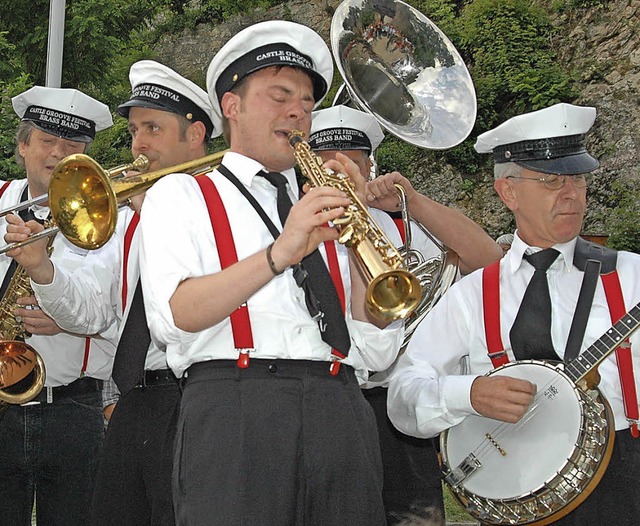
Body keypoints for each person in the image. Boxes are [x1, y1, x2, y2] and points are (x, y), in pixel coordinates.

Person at [138, 21, 404, 526]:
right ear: (231, 106)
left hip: (340, 405)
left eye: (306, 101)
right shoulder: (183, 194)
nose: (298, 111)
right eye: (280, 95)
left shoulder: (326, 200)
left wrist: (359, 244)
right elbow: (176, 316)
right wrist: (280, 253)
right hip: (235, 409)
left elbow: (374, 345)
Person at [387, 102, 640, 526]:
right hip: (513, 497)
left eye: (577, 177)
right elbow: (402, 394)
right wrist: (468, 394)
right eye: (551, 181)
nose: (571, 193)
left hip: (625, 486)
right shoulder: (471, 296)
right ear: (508, 192)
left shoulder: (633, 274)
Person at [309, 104, 503, 525]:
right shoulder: (287, 225)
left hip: (391, 402)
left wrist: (410, 201)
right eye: (325, 167)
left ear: (369, 168)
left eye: (350, 166)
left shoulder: (397, 225)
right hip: (318, 400)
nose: (337, 176)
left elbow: (488, 261)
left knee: (414, 517)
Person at [87, 60, 220, 526]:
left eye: (153, 128)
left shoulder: (220, 204)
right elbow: (105, 313)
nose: (138, 144)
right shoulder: (126, 216)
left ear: (196, 135)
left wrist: (154, 215)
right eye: (133, 130)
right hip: (133, 401)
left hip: (194, 399)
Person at [0, 86, 115, 526]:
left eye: (72, 146)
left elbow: (103, 312)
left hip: (73, 409)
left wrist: (64, 317)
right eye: (47, 141)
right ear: (23, 144)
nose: (58, 154)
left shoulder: (109, 218)